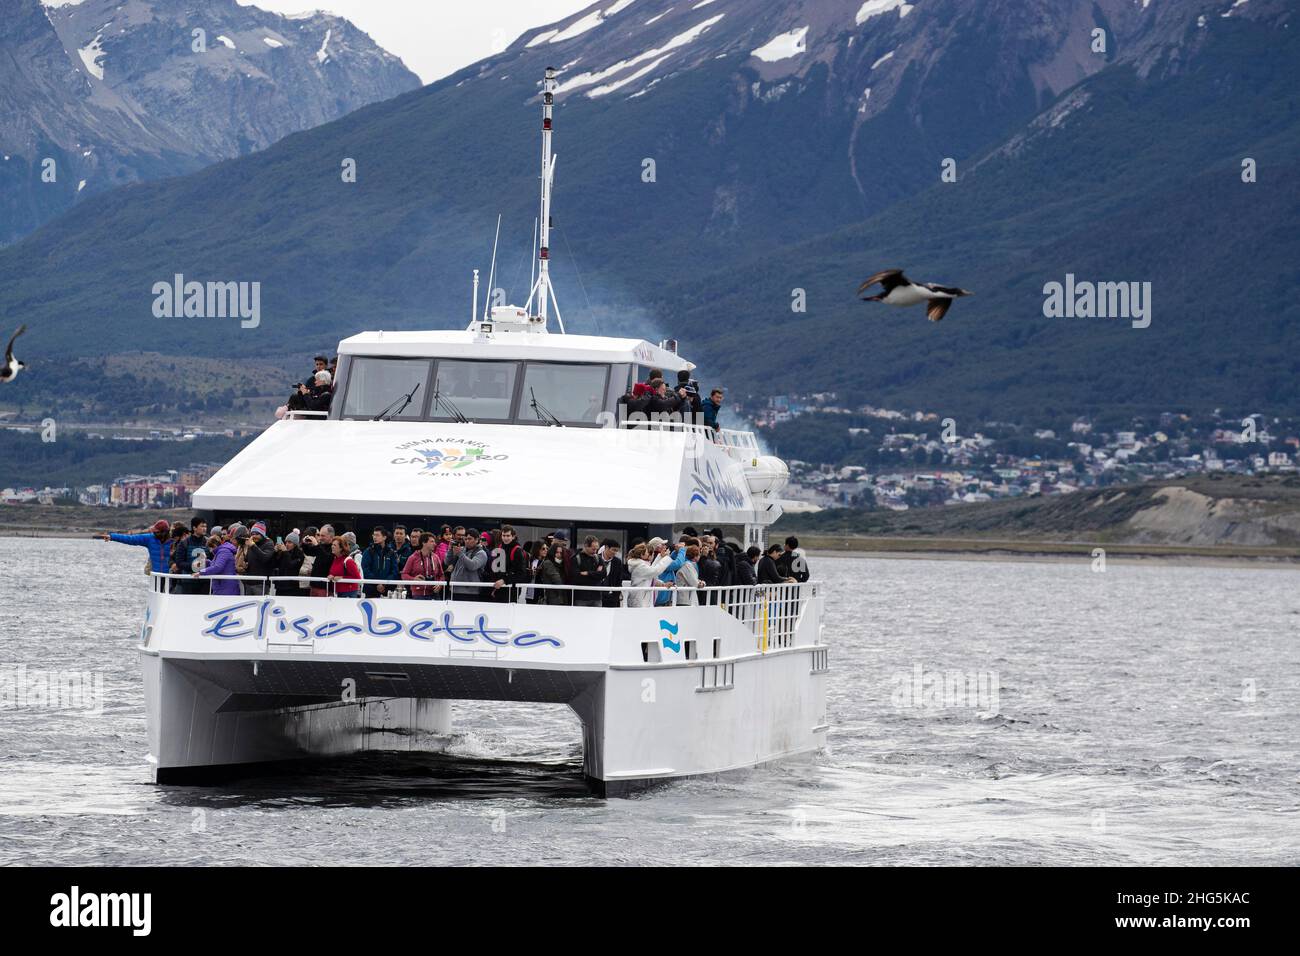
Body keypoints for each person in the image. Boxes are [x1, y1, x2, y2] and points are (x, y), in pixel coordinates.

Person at [100, 519, 172, 574]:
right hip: (156, 576)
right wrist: (112, 537)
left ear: (164, 532)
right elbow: (131, 539)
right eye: (154, 531)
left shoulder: (174, 541)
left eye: (156, 532)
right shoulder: (150, 538)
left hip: (172, 576)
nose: (154, 533)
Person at [489, 524, 529, 603]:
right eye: (504, 535)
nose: (505, 538)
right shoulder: (500, 547)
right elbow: (497, 570)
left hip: (511, 590)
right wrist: (495, 588)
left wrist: (504, 580)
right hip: (499, 588)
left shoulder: (517, 551)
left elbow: (521, 573)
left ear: (513, 536)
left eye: (508, 536)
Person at [627, 541, 672, 608]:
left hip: (643, 600)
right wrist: (666, 558)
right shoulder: (640, 567)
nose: (653, 555)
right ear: (642, 555)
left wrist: (663, 584)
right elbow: (655, 571)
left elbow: (651, 575)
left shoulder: (641, 565)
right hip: (640, 602)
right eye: (649, 552)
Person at [401, 532, 445, 600]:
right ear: (424, 543)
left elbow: (441, 575)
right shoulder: (413, 558)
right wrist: (413, 579)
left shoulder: (436, 557)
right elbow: (404, 574)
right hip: (418, 595)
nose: (435, 544)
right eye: (432, 541)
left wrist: (440, 584)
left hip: (434, 594)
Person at [449, 527, 488, 600]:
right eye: (465, 539)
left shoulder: (481, 553)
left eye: (470, 539)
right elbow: (447, 562)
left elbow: (472, 566)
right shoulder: (462, 549)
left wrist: (460, 554)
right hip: (455, 588)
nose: (467, 541)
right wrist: (450, 550)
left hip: (470, 592)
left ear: (476, 540)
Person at [360, 526, 398, 598]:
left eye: (377, 535)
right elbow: (365, 570)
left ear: (384, 537)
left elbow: (394, 571)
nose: (374, 537)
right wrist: (377, 584)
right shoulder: (368, 551)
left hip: (387, 590)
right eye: (374, 535)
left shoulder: (391, 552)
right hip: (370, 589)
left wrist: (384, 584)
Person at [242, 522, 276, 595]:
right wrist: (246, 564)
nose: (254, 536)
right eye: (252, 534)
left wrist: (253, 546)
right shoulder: (252, 544)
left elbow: (264, 558)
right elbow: (248, 560)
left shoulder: (269, 544)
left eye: (257, 534)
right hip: (249, 582)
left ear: (263, 534)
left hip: (261, 583)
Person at [573, 535, 603, 607]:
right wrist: (596, 574)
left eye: (596, 549)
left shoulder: (598, 558)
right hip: (581, 598)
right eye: (593, 549)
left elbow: (603, 574)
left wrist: (587, 573)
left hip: (596, 597)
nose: (595, 551)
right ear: (586, 546)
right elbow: (576, 577)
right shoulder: (576, 558)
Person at [275, 531, 308, 596]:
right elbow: (274, 564)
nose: (286, 544)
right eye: (286, 542)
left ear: (295, 544)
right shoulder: (283, 552)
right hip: (280, 585)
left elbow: (290, 565)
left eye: (289, 542)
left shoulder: (299, 554)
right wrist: (275, 552)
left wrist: (285, 552)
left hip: (292, 587)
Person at [598, 539, 626, 608]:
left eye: (616, 551)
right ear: (606, 547)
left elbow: (619, 580)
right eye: (613, 550)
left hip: (611, 597)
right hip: (596, 595)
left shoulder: (617, 562)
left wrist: (616, 595)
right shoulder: (595, 558)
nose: (615, 552)